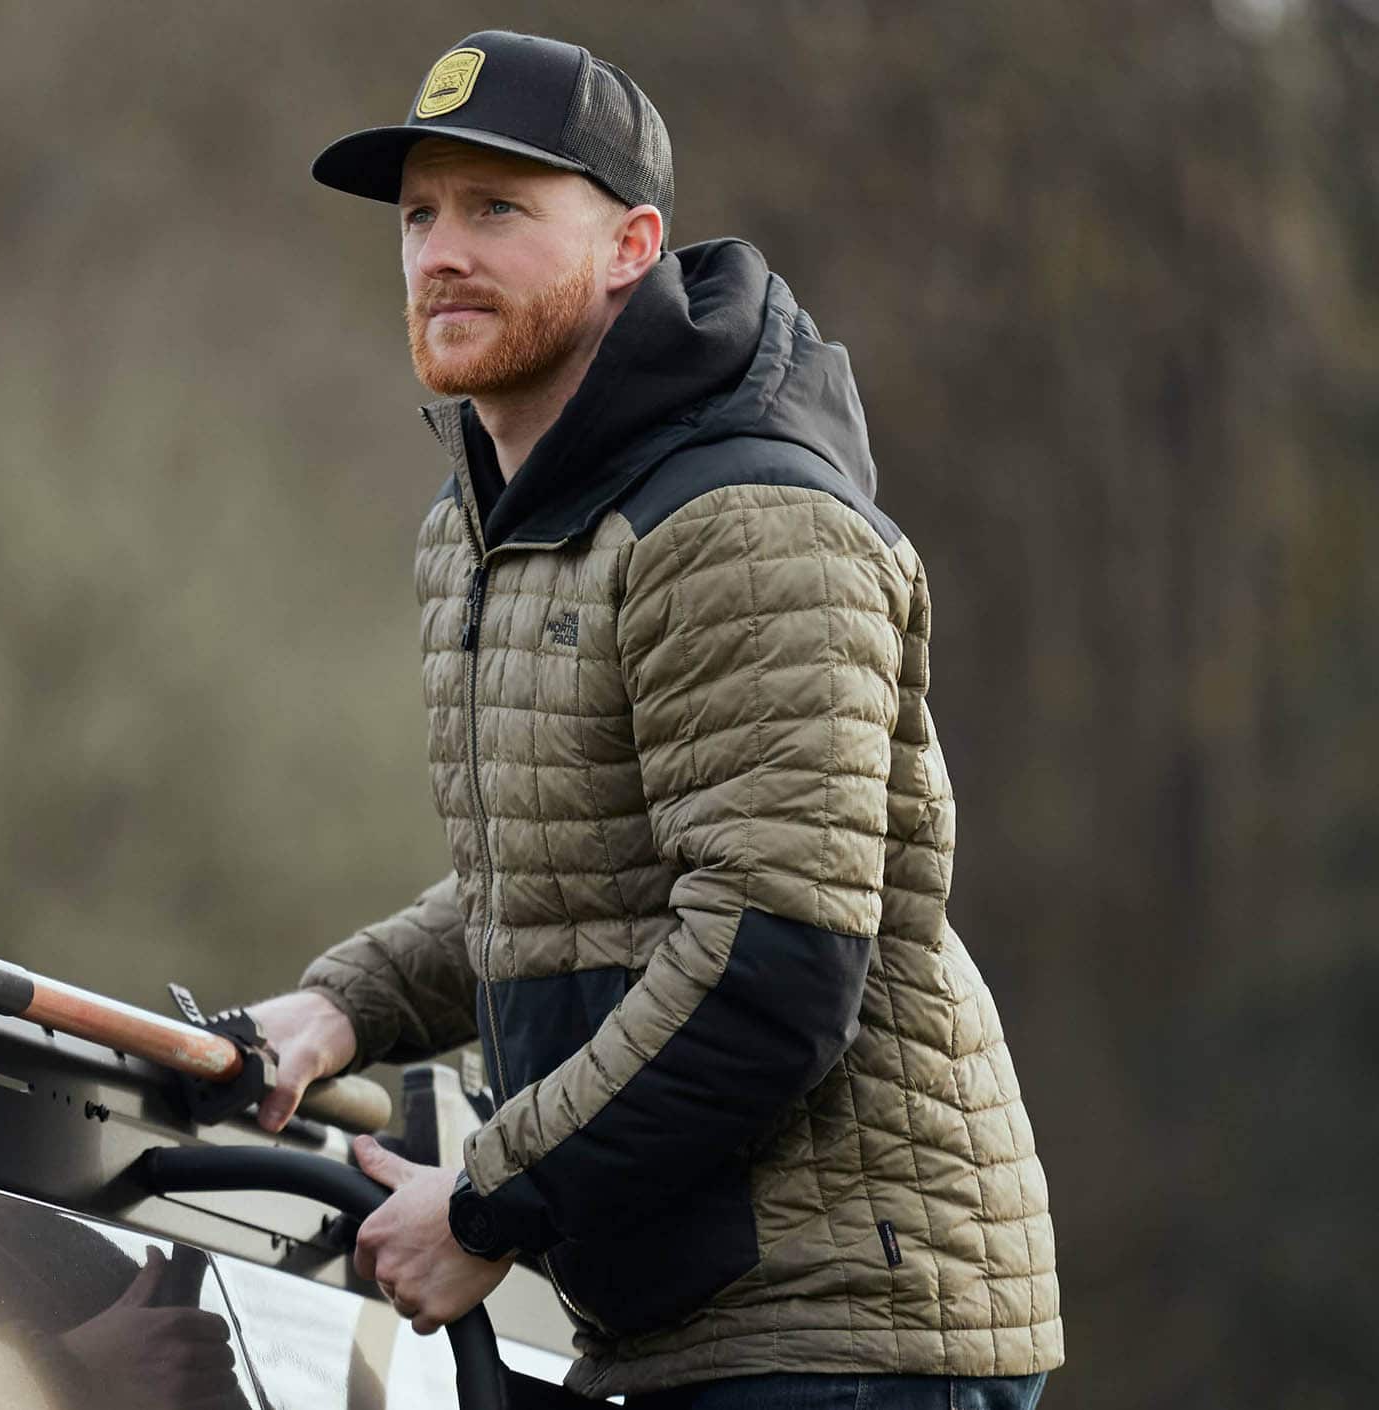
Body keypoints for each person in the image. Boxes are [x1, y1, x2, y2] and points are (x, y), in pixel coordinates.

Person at [239, 30, 1063, 1409]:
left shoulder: (743, 522)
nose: (442, 251)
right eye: (420, 215)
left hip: (848, 1328)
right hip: (697, 1326)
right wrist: (343, 1005)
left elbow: (767, 969)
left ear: (632, 245)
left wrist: (489, 1205)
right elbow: (574, 877)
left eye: (498, 208)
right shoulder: (479, 529)